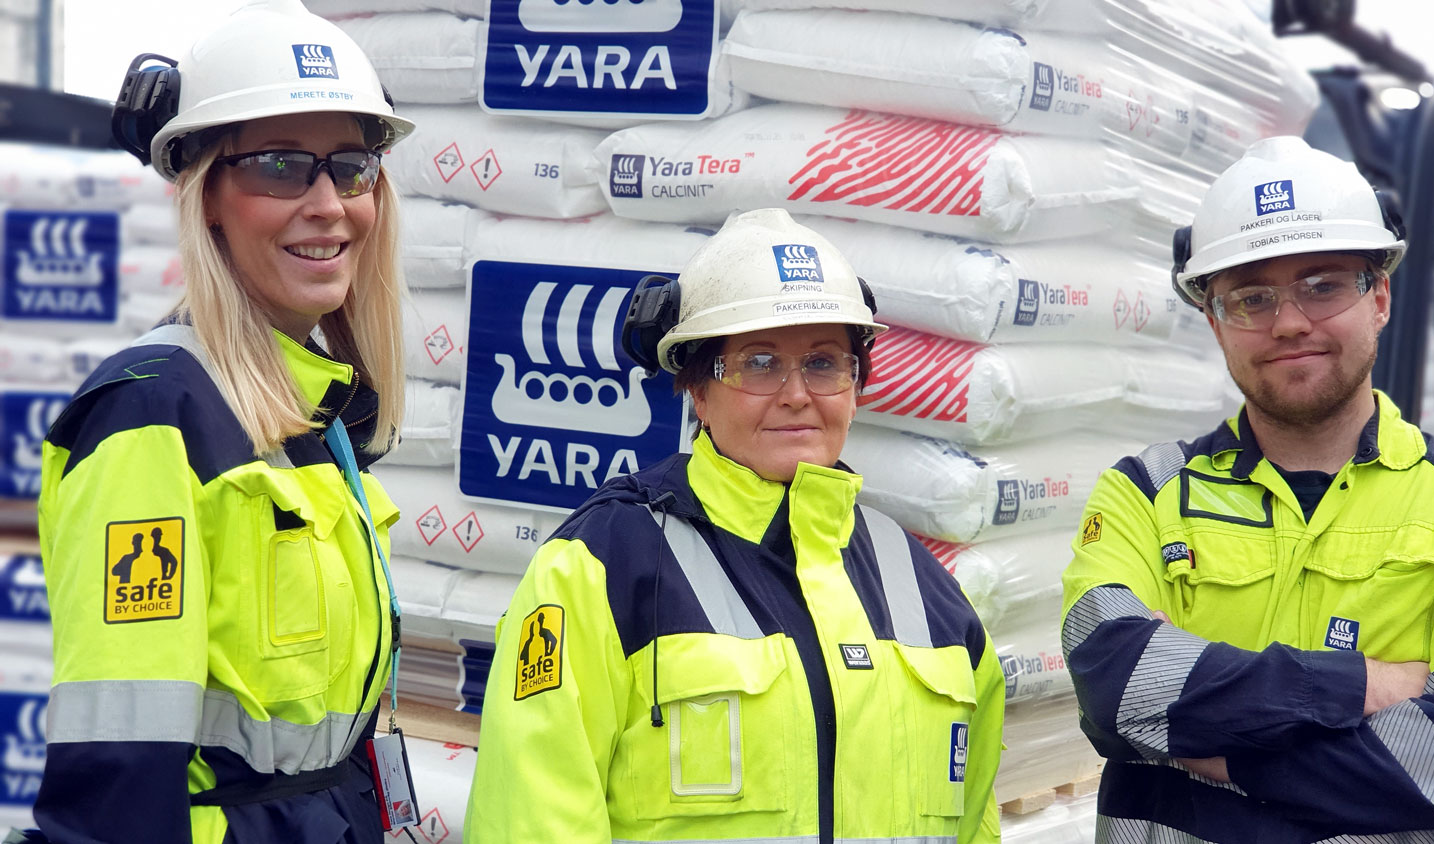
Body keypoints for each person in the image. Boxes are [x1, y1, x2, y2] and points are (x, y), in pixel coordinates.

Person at [464, 208, 1006, 843]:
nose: (797, 393)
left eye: (825, 363)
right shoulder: (601, 569)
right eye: (759, 362)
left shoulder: (924, 588)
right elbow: (532, 823)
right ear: (697, 386)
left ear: (856, 386)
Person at [31, 1, 414, 842]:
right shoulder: (152, 414)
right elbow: (119, 764)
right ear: (207, 196)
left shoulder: (313, 416)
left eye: (349, 168)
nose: (327, 203)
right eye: (280, 166)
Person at [1062, 135, 1434, 842]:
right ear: (1213, 320)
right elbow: (1115, 680)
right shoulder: (1144, 494)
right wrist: (1364, 685)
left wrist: (1216, 749)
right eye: (1252, 298)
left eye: (1322, 284)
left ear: (1380, 296)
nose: (1290, 321)